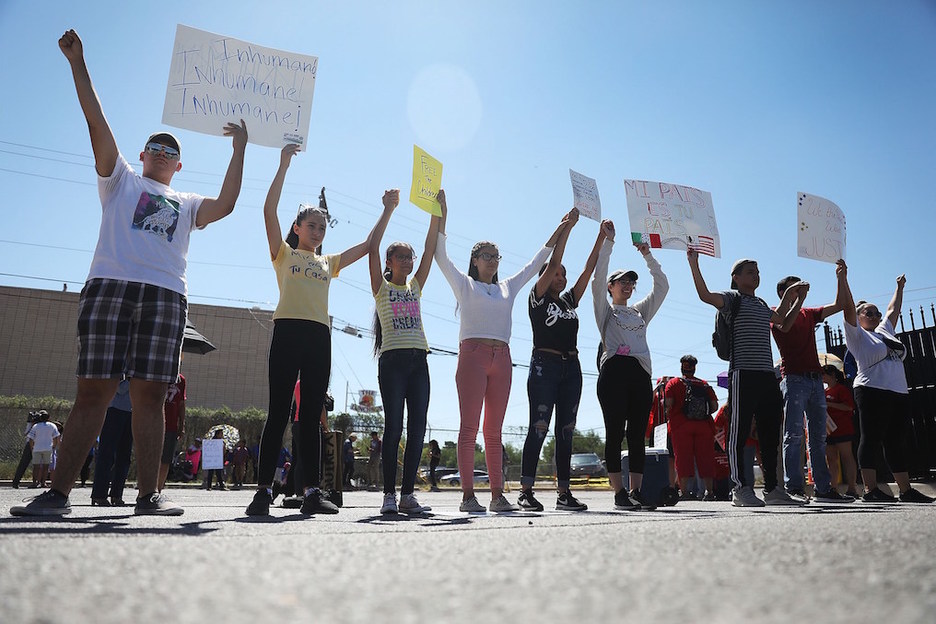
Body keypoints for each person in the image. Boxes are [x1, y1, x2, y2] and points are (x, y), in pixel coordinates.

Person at [11, 30, 247, 517]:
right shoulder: (118, 179)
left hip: (165, 296)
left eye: (170, 149)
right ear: (141, 156)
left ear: (179, 165)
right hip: (110, 287)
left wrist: (240, 149)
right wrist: (79, 63)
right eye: (153, 145)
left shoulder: (186, 203)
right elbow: (96, 122)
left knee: (151, 396)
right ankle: (57, 495)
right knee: (92, 391)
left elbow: (225, 205)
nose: (161, 151)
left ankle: (147, 496)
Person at [245, 143, 372, 517]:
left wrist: (387, 210)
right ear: (297, 228)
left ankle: (313, 492)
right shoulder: (283, 255)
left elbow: (366, 246)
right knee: (278, 411)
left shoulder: (328, 263)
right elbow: (268, 210)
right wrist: (283, 164)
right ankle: (264, 491)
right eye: (310, 225)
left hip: (319, 337)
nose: (317, 231)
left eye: (322, 227)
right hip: (287, 332)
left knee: (311, 415)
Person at [434, 196, 569, 513]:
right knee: (469, 428)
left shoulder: (508, 286)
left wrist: (562, 229)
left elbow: (536, 263)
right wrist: (443, 215)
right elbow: (440, 255)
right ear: (475, 260)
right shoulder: (465, 285)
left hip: (503, 359)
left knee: (493, 431)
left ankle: (497, 496)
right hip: (473, 356)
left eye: (496, 256)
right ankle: (468, 496)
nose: (493, 260)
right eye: (486, 256)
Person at [687, 250, 806, 507]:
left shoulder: (762, 304)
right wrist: (693, 263)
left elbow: (783, 323)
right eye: (750, 272)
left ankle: (774, 490)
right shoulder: (732, 299)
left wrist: (798, 299)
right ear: (737, 278)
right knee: (739, 433)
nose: (756, 276)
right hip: (743, 373)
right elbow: (704, 295)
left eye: (758, 272)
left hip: (767, 376)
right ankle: (740, 489)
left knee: (770, 432)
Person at [518, 208, 601, 513]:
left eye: (564, 274)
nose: (561, 276)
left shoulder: (567, 301)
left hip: (572, 369)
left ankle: (564, 493)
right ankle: (526, 490)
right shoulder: (537, 298)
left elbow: (588, 269)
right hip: (544, 366)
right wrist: (568, 228)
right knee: (539, 426)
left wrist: (602, 238)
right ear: (545, 276)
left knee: (566, 429)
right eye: (557, 273)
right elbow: (553, 261)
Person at [367, 187, 442, 514]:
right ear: (389, 262)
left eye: (409, 257)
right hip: (393, 363)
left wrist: (436, 212)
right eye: (401, 257)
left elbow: (429, 249)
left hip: (419, 361)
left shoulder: (416, 286)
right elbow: (371, 248)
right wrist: (388, 209)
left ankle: (408, 494)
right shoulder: (382, 288)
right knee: (394, 426)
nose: (409, 261)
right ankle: (389, 497)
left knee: (417, 428)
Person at [837, 260, 934, 503]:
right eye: (869, 312)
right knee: (871, 438)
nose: (876, 315)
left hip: (898, 391)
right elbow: (847, 307)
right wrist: (843, 279)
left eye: (876, 312)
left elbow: (893, 310)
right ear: (859, 318)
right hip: (871, 390)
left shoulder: (885, 331)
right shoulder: (857, 336)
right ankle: (870, 490)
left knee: (896, 440)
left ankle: (906, 490)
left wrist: (899, 288)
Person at [594, 221, 669, 510]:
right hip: (614, 373)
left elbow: (662, 286)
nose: (627, 285)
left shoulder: (640, 311)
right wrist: (608, 243)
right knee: (615, 432)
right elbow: (597, 278)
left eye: (630, 282)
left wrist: (647, 254)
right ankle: (619, 493)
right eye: (621, 281)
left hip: (640, 374)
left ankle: (636, 492)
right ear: (611, 287)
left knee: (637, 434)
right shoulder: (605, 311)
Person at [771, 271, 854, 503]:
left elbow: (839, 304)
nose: (800, 290)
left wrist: (840, 277)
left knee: (818, 438)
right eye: (794, 288)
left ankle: (823, 489)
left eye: (800, 287)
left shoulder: (808, 313)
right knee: (793, 435)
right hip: (794, 379)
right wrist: (799, 299)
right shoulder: (775, 315)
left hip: (815, 380)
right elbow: (785, 327)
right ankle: (794, 488)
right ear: (783, 293)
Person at [664, 355, 719, 501]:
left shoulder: (673, 383)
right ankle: (709, 491)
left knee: (683, 458)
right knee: (706, 457)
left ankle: (685, 492)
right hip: (704, 426)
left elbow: (668, 404)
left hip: (681, 426)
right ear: (695, 368)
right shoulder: (704, 384)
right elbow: (714, 406)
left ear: (682, 367)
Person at [90, 380, 134, 506]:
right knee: (106, 454)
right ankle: (99, 494)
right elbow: (120, 388)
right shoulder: (122, 365)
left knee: (124, 457)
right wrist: (135, 381)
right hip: (114, 410)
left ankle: (117, 494)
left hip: (131, 411)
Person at [822, 365, 860, 498]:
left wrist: (829, 404)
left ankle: (852, 488)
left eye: (823, 374)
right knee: (831, 459)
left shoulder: (841, 389)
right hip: (828, 429)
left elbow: (848, 406)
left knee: (846, 457)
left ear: (832, 375)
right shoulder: (824, 391)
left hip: (842, 428)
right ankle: (833, 488)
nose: (821, 376)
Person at [158, 373, 186, 491]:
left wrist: (182, 424)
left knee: (166, 459)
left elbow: (181, 403)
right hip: (155, 423)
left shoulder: (181, 380)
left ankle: (158, 488)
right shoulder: (158, 375)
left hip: (171, 426)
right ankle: (146, 487)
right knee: (151, 457)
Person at [27, 412, 60, 489]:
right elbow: (56, 437)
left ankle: (35, 482)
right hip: (48, 448)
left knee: (36, 466)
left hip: (37, 448)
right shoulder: (52, 426)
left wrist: (32, 447)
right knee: (46, 466)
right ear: (48, 418)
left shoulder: (36, 426)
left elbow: (31, 438)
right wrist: (54, 446)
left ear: (41, 418)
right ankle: (43, 482)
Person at [12, 412, 38, 489]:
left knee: (38, 465)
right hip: (30, 444)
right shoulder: (31, 426)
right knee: (24, 463)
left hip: (39, 444)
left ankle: (38, 482)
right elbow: (27, 434)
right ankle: (16, 481)